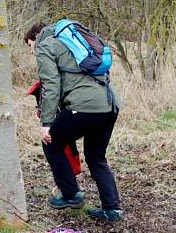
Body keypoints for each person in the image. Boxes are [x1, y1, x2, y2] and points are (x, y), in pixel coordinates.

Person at [24, 21, 123, 222]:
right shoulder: (72, 42)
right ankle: (112, 210)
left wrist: (47, 122)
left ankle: (71, 195)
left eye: (29, 46)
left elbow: (51, 85)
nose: (32, 51)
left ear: (35, 37)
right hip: (109, 105)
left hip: (84, 107)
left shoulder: (46, 45)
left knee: (51, 142)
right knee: (96, 157)